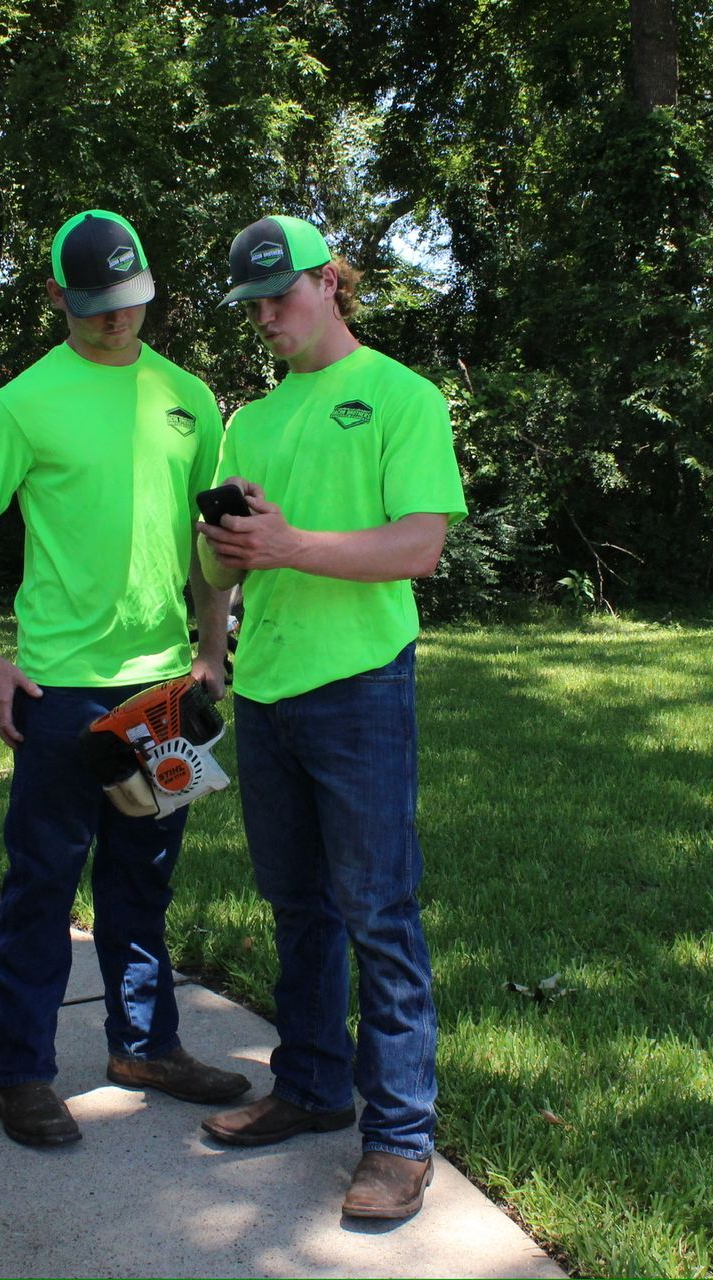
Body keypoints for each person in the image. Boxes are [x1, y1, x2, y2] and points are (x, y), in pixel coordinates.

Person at [0, 209, 248, 1148]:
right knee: (42, 885)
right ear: (58, 299)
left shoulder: (188, 396)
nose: (120, 322)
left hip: (164, 695)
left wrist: (211, 649)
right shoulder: (26, 402)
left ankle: (144, 1045)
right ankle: (20, 1072)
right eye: (100, 307)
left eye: (134, 302)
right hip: (61, 693)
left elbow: (208, 540)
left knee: (145, 880)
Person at [195, 214, 465, 1219]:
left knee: (378, 909)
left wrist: (290, 541)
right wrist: (213, 632)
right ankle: (309, 1085)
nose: (266, 315)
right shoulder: (249, 421)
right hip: (264, 688)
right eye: (252, 303)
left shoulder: (401, 395)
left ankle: (398, 1136)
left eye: (281, 294)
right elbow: (229, 558)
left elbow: (419, 546)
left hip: (359, 686)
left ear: (328, 280)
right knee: (296, 904)